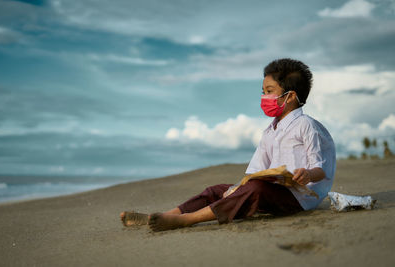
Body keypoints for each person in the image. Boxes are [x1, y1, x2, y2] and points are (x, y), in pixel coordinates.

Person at [120, 58, 336, 231]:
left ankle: (188, 220)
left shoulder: (306, 125)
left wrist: (307, 174)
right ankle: (166, 215)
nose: (264, 96)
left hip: (299, 199)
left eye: (269, 91)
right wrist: (237, 188)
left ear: (290, 97)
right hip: (270, 191)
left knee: (255, 188)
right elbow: (256, 170)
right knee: (218, 190)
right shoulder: (270, 130)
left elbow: (321, 168)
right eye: (263, 91)